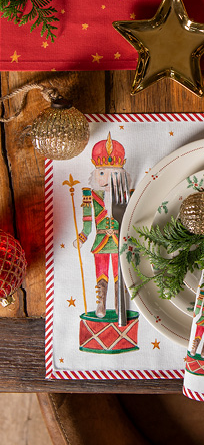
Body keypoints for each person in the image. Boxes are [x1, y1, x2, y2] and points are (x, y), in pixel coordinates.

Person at [75, 132, 130, 318]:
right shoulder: (91, 197)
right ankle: (101, 303)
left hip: (118, 240)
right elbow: (88, 221)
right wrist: (83, 236)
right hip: (100, 241)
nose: (106, 178)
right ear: (95, 175)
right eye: (101, 173)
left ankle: (118, 302)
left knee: (119, 274)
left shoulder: (124, 196)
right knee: (101, 274)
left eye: (113, 173)